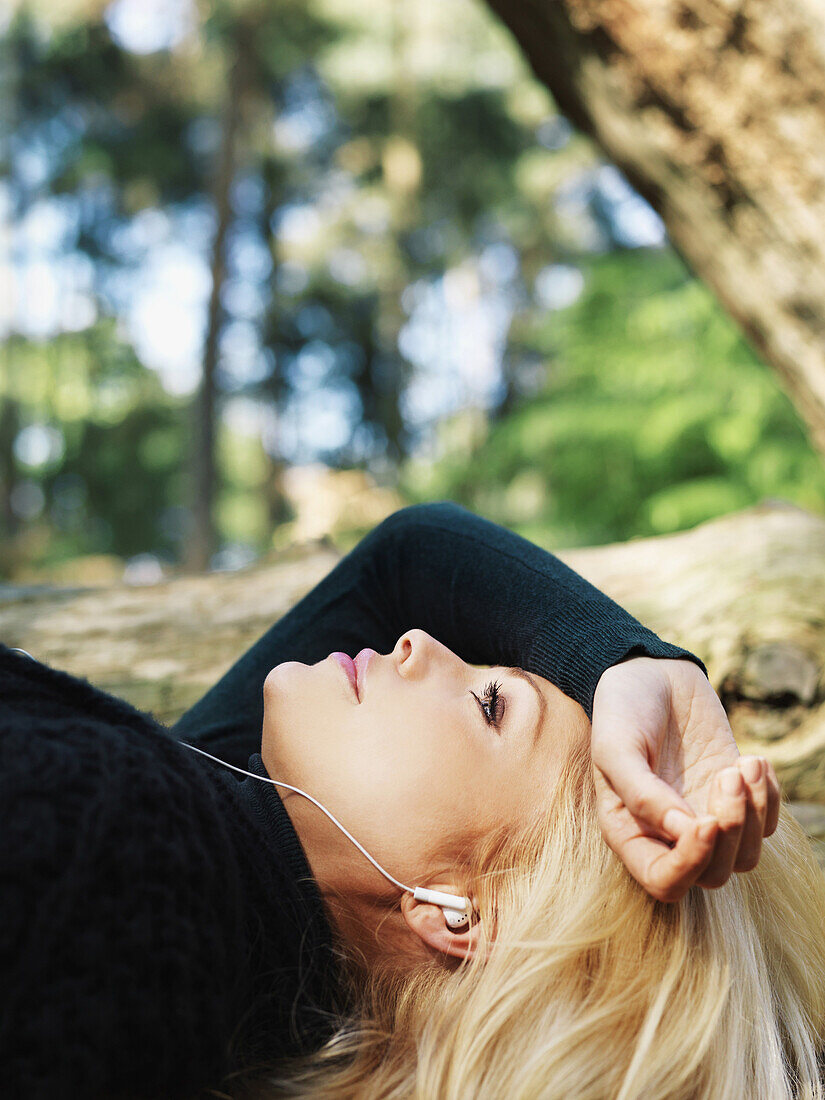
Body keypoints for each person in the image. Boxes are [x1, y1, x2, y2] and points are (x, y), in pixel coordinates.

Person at [1, 501, 816, 1100]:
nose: (419, 641)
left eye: (490, 703)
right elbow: (404, 561)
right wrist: (634, 666)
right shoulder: (232, 865)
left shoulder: (122, 847)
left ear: (456, 912)